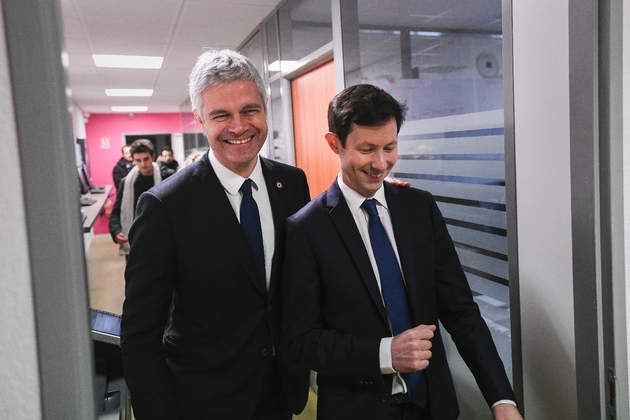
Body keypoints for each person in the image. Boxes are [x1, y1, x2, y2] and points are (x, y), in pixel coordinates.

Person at [282, 84, 523, 420]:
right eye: (366, 149)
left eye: (390, 147)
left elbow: (461, 312)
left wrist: (501, 400)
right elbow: (301, 340)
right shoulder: (306, 229)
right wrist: (385, 354)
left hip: (433, 407)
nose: (381, 164)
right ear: (334, 143)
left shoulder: (419, 208)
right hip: (356, 411)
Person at [120, 49, 311, 419]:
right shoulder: (164, 206)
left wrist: (371, 195)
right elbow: (140, 333)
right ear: (199, 119)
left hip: (280, 390)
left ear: (266, 106)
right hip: (204, 398)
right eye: (221, 115)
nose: (239, 127)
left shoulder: (292, 182)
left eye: (249, 110)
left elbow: (313, 265)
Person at [108, 139, 163, 257]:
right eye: (138, 160)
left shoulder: (168, 176)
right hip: (136, 240)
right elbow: (116, 211)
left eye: (146, 159)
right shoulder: (126, 183)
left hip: (163, 238)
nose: (143, 164)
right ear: (133, 160)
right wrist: (116, 231)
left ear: (153, 156)